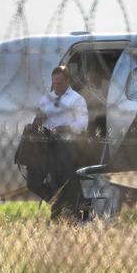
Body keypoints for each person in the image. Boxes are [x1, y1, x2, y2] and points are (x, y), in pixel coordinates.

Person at [28, 65, 89, 220]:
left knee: (64, 181)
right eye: (54, 83)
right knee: (33, 182)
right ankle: (59, 202)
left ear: (68, 81)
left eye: (60, 83)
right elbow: (37, 122)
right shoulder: (45, 99)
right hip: (46, 145)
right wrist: (38, 121)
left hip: (66, 146)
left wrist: (67, 128)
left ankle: (66, 213)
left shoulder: (77, 99)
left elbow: (83, 122)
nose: (57, 86)